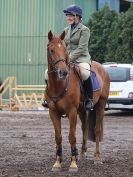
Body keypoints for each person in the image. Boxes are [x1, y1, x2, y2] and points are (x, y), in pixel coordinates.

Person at [42, 4, 93, 110]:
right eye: (67, 15)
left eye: (70, 15)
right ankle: (48, 97)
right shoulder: (66, 30)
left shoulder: (84, 30)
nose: (68, 18)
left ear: (77, 17)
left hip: (81, 58)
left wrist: (69, 58)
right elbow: (62, 47)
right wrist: (62, 57)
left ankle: (89, 99)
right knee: (47, 73)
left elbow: (82, 48)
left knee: (85, 73)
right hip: (65, 59)